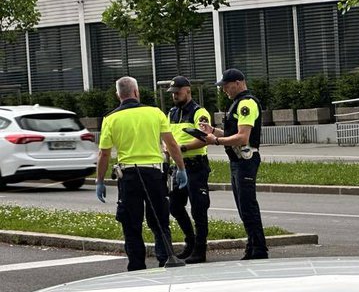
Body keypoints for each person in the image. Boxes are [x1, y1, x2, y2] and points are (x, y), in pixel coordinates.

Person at [96, 76, 187, 271]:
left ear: (118, 95)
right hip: (154, 174)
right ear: (137, 92)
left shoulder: (110, 119)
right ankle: (166, 259)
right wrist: (181, 168)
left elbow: (104, 154)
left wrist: (100, 180)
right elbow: (171, 144)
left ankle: (136, 266)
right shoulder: (155, 113)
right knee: (160, 220)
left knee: (131, 224)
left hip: (128, 176)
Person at [199, 68, 268, 260]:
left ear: (238, 83)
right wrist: (212, 130)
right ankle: (253, 246)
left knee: (247, 206)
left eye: (226, 86)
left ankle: (258, 249)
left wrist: (215, 140)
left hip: (245, 159)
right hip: (237, 160)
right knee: (242, 206)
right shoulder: (237, 104)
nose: (224, 90)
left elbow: (242, 138)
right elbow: (232, 134)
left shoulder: (246, 104)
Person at [166, 75, 212, 263]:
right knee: (175, 206)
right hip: (178, 166)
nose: (175, 95)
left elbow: (203, 137)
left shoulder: (199, 112)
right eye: (172, 93)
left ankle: (200, 250)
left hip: (195, 165)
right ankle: (190, 242)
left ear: (188, 91)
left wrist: (181, 148)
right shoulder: (172, 113)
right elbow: (168, 136)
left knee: (199, 209)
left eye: (178, 92)